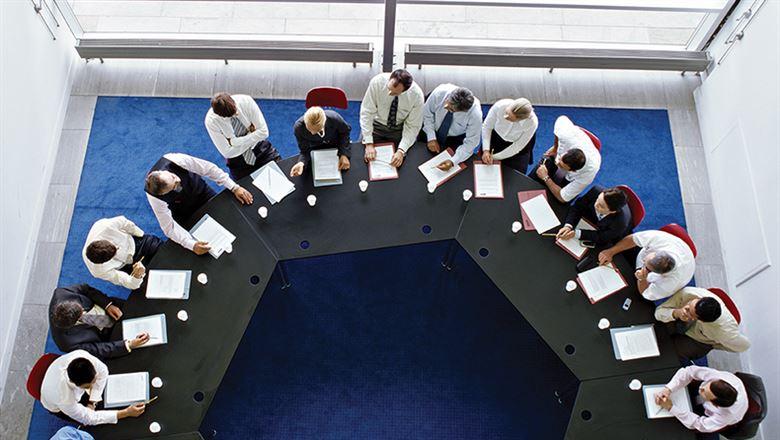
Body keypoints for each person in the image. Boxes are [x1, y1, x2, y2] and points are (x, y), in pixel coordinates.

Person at [145, 153, 253, 255]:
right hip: (183, 213)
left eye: (173, 177)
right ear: (163, 194)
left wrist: (234, 187)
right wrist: (192, 245)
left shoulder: (175, 160)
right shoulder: (155, 198)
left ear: (163, 172)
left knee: (229, 220)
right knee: (210, 244)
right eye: (174, 186)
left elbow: (209, 169)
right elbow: (169, 227)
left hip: (202, 193)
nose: (178, 180)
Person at [40, 350, 146, 425]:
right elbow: (90, 419)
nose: (93, 385)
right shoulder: (65, 399)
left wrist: (92, 401)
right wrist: (126, 413)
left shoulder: (82, 356)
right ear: (76, 384)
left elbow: (103, 371)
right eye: (88, 386)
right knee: (85, 423)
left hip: (55, 373)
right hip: (55, 404)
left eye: (94, 380)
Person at [49, 284, 149, 359]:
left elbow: (87, 289)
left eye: (82, 310)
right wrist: (129, 345)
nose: (85, 312)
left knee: (145, 309)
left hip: (111, 308)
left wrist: (108, 305)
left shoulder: (62, 293)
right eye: (81, 316)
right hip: (110, 335)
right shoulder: (66, 343)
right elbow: (97, 349)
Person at [655, 286, 750, 360]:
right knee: (656, 329)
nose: (687, 310)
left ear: (701, 320)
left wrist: (715, 344)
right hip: (678, 317)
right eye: (689, 305)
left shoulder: (724, 331)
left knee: (667, 353)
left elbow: (744, 346)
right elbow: (658, 312)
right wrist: (676, 313)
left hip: (699, 340)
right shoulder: (688, 293)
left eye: (690, 313)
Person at [598, 230, 696, 301]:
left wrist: (642, 279)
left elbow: (646, 293)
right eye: (646, 259)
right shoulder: (662, 241)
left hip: (682, 270)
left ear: (658, 274)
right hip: (680, 248)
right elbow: (634, 239)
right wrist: (611, 252)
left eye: (646, 265)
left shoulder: (670, 284)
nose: (644, 260)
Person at [205, 92, 281, 179]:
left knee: (283, 181)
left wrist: (234, 142)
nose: (233, 116)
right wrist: (253, 134)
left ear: (234, 102)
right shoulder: (211, 121)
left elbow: (264, 132)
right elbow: (227, 152)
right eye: (227, 117)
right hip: (238, 163)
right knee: (244, 188)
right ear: (218, 114)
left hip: (262, 151)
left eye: (235, 113)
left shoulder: (246, 101)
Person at [361, 69, 424, 168]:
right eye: (389, 88)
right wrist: (368, 143)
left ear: (405, 90)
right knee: (363, 159)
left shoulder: (416, 96)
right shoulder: (377, 82)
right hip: (376, 125)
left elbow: (413, 126)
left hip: (399, 129)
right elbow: (367, 112)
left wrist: (401, 150)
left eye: (395, 93)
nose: (389, 93)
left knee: (403, 164)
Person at [530, 115, 601, 203]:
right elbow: (561, 119)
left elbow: (563, 198)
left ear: (573, 171)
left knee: (556, 203)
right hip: (567, 147)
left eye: (561, 166)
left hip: (569, 180)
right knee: (530, 181)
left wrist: (545, 178)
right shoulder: (566, 136)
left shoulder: (587, 174)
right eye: (560, 160)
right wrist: (555, 147)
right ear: (567, 151)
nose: (557, 163)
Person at [655, 366, 747, 433]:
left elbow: (700, 425)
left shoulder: (726, 416)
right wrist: (669, 389)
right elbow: (689, 371)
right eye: (706, 385)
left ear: (714, 404)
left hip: (725, 418)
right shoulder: (720, 378)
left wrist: (671, 407)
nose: (701, 389)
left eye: (704, 392)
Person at [82, 216, 161, 290]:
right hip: (125, 266)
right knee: (150, 287)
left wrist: (140, 234)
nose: (117, 250)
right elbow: (128, 283)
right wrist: (137, 276)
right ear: (104, 262)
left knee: (163, 250)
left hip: (136, 244)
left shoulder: (104, 226)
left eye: (116, 247)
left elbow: (124, 222)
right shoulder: (98, 270)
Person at [420, 84, 482, 171]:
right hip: (430, 127)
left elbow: (471, 142)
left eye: (451, 109)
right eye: (448, 102)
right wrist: (431, 137)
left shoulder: (475, 114)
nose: (445, 106)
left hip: (454, 138)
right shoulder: (440, 92)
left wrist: (453, 161)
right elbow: (427, 114)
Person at [556, 185, 633, 248]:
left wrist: (576, 234)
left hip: (607, 232)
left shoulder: (621, 223)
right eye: (597, 199)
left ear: (612, 211)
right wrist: (568, 225)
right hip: (590, 218)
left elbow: (602, 237)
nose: (596, 204)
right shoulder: (596, 191)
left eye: (601, 206)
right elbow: (577, 207)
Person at [290, 106, 351, 177]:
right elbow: (304, 150)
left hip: (336, 144)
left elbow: (345, 132)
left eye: (317, 130)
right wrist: (301, 163)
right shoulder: (298, 128)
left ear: (324, 122)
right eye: (309, 129)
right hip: (315, 148)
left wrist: (344, 154)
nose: (312, 133)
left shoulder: (334, 118)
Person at [480, 98, 538, 173]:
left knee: (515, 175)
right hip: (495, 138)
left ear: (519, 119)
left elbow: (517, 147)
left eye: (510, 118)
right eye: (506, 113)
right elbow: (487, 127)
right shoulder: (500, 105)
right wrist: (486, 150)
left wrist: (494, 157)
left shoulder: (532, 123)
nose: (505, 117)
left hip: (515, 147)